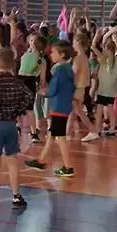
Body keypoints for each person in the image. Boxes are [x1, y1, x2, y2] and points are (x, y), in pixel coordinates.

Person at [0, 48, 34, 209]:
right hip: (11, 124)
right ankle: (17, 196)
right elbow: (29, 96)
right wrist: (18, 110)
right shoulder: (17, 81)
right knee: (12, 161)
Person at [24, 40, 76, 177]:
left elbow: (53, 89)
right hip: (63, 105)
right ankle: (41, 160)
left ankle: (68, 166)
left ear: (62, 54)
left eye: (53, 52)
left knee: (60, 137)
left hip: (59, 106)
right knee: (52, 134)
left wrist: (43, 92)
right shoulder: (68, 69)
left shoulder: (60, 70)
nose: (51, 54)